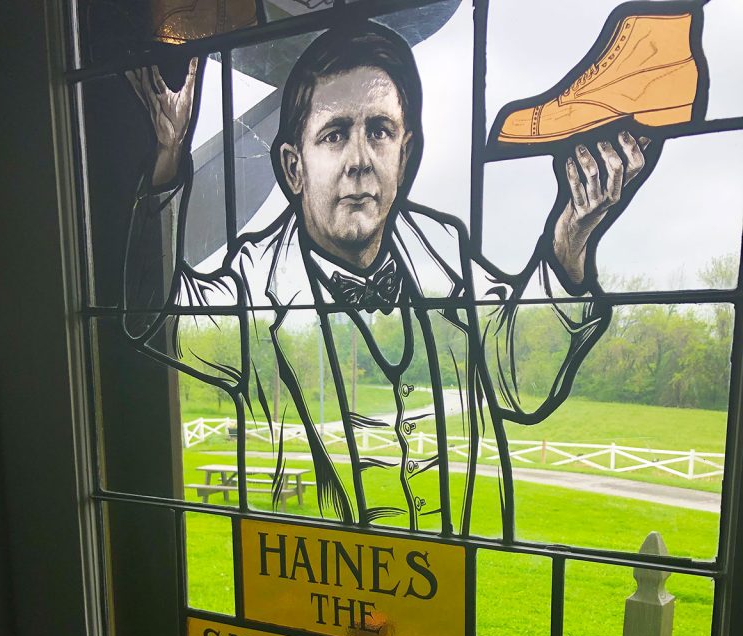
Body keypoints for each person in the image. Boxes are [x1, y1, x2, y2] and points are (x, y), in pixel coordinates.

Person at [123, 20, 653, 540]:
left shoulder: (443, 251)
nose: (359, 162)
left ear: (406, 152)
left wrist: (568, 240)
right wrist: (168, 162)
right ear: (293, 167)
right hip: (320, 586)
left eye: (379, 131)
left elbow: (517, 384)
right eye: (334, 135)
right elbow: (154, 314)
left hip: (440, 590)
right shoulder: (254, 282)